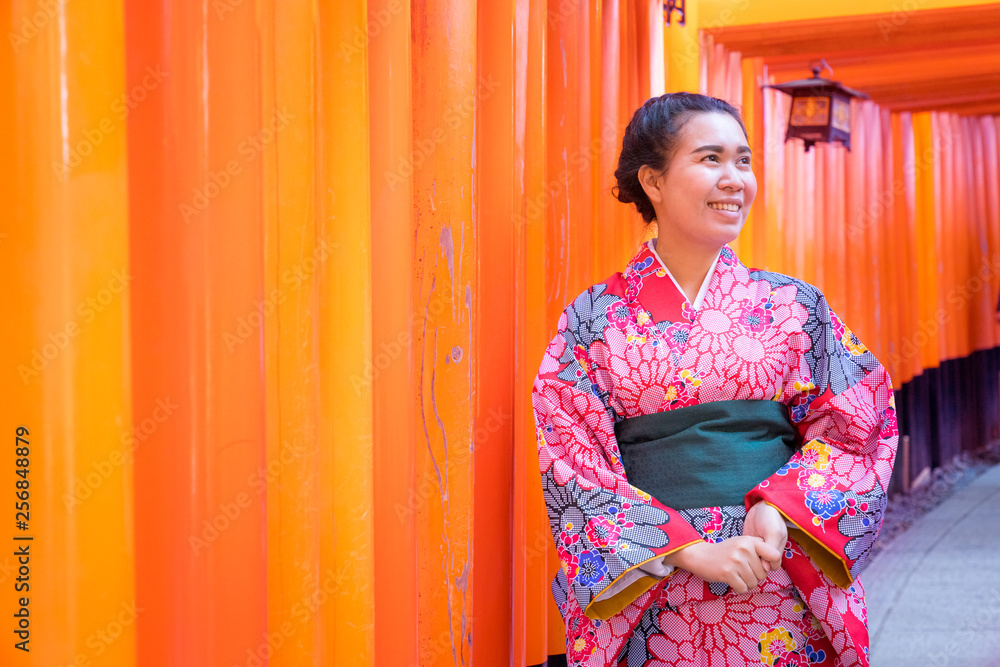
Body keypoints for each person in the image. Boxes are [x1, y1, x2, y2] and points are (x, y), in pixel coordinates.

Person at [532, 92, 897, 667]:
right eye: (711, 159)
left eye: (744, 160)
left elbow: (857, 424)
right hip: (657, 584)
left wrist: (777, 511)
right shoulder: (595, 316)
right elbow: (572, 454)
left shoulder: (794, 305)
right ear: (652, 181)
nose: (734, 179)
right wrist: (686, 547)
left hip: (773, 571)